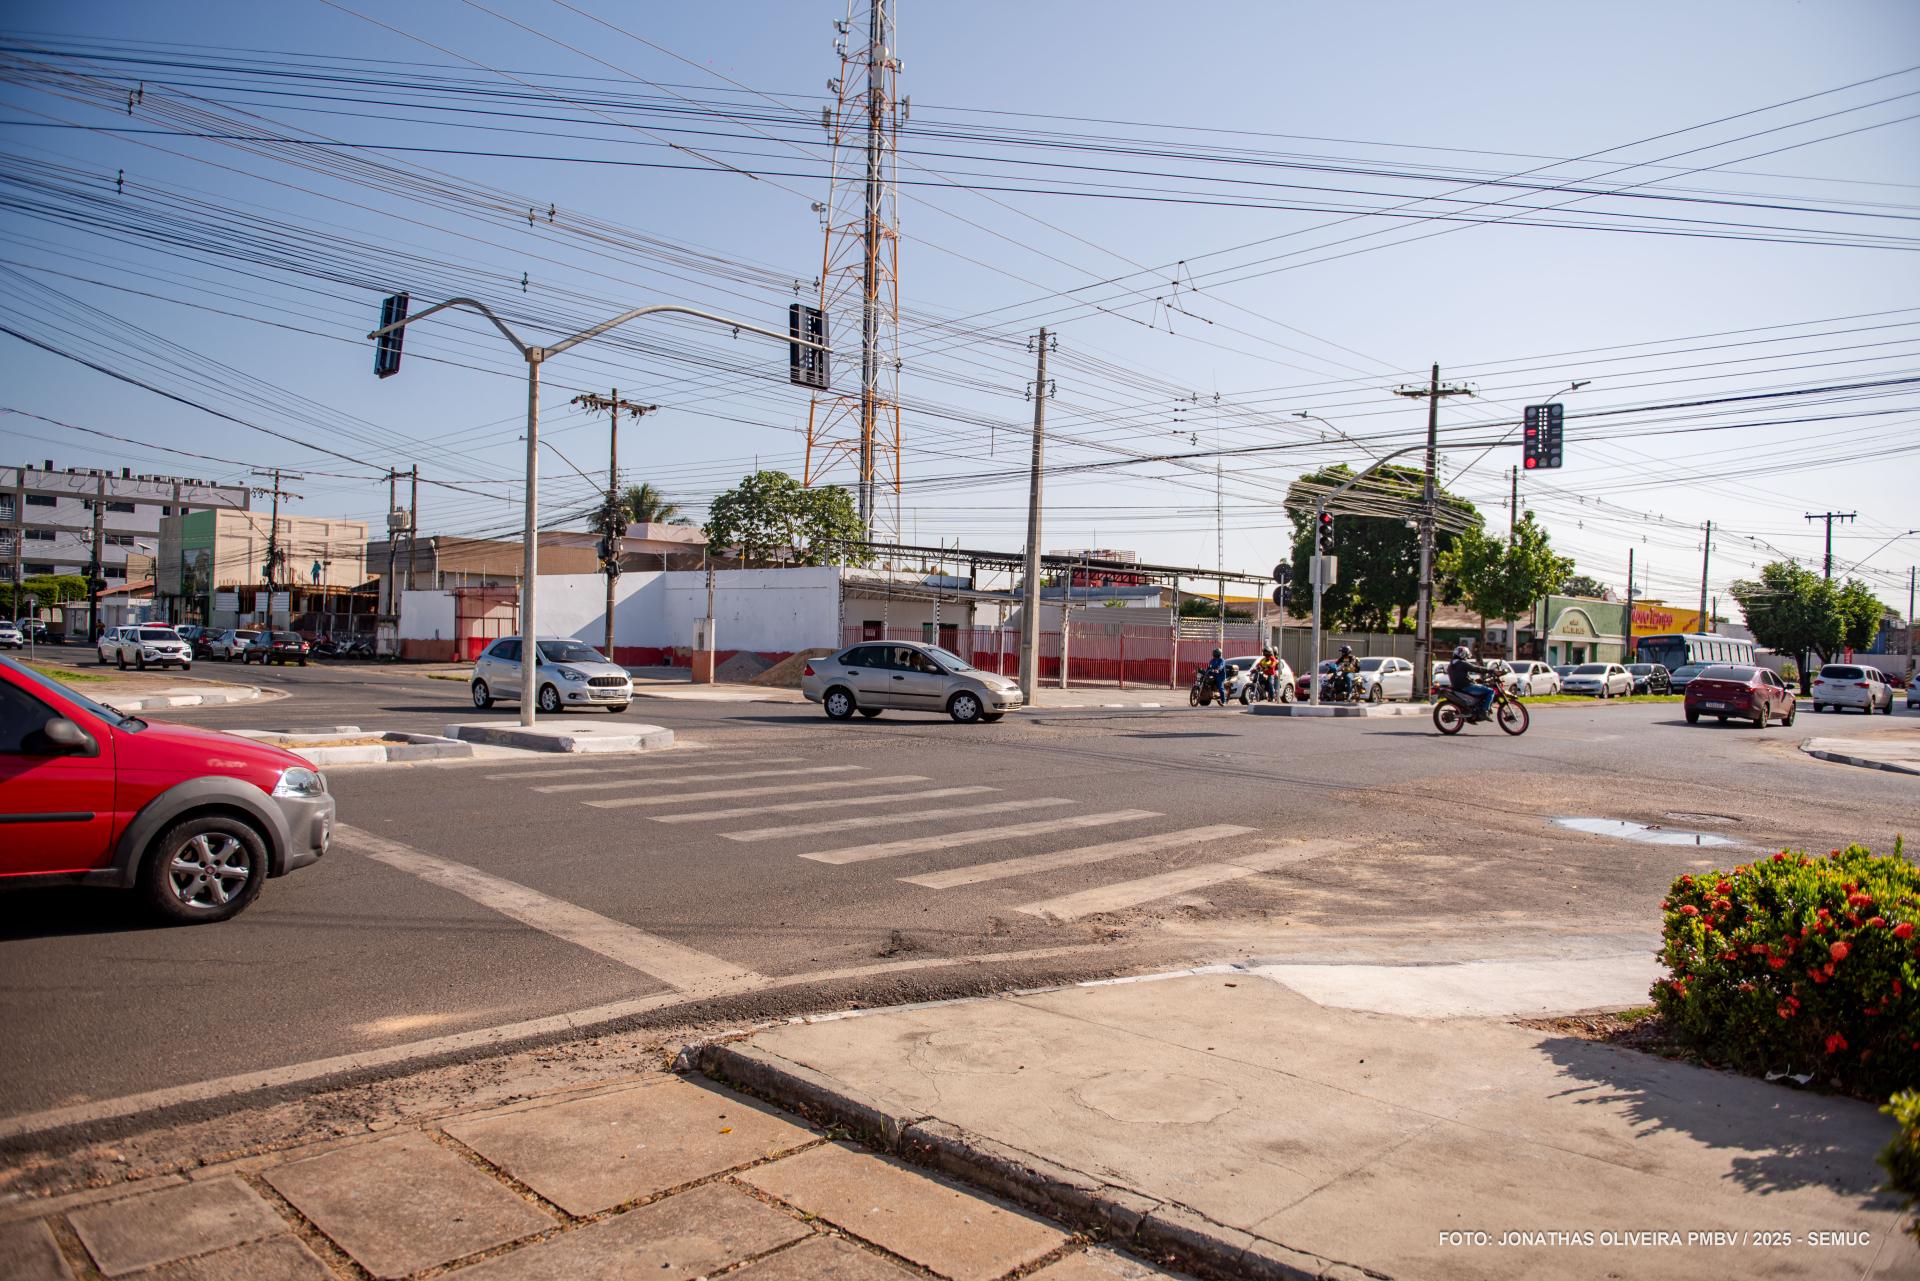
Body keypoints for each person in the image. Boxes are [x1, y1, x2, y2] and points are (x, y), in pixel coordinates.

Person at [1449, 644, 1497, 719]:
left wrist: (1474, 680)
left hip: (1457, 688)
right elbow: (1476, 669)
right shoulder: (1462, 663)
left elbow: (1461, 676)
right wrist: (1491, 671)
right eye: (1466, 656)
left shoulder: (1451, 665)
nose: (1466, 658)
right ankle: (1484, 711)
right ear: (1463, 655)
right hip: (1466, 687)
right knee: (1491, 691)